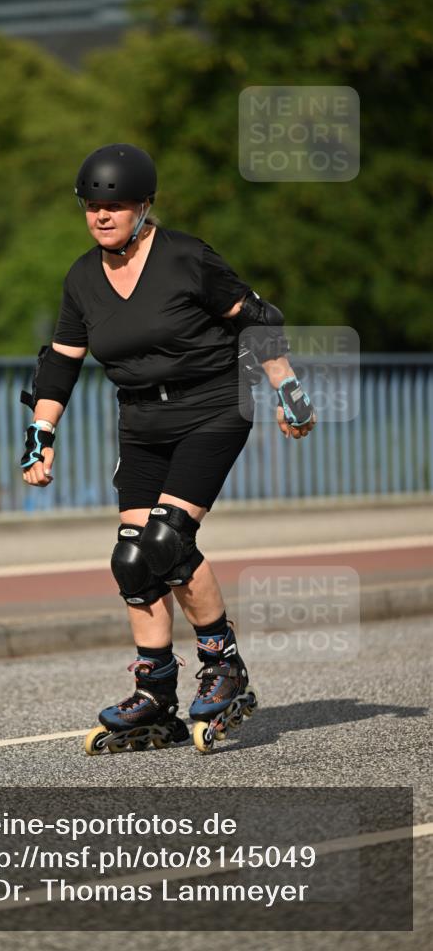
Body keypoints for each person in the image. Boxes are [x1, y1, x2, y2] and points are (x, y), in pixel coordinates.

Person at [20, 143, 315, 754]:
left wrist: (288, 389)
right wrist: (40, 437)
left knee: (168, 540)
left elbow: (256, 315)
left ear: (144, 206)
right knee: (133, 557)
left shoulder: (185, 256)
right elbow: (60, 366)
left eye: (116, 206)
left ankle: (224, 666)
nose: (102, 216)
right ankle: (156, 690)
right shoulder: (81, 277)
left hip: (213, 405)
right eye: (92, 207)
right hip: (141, 422)